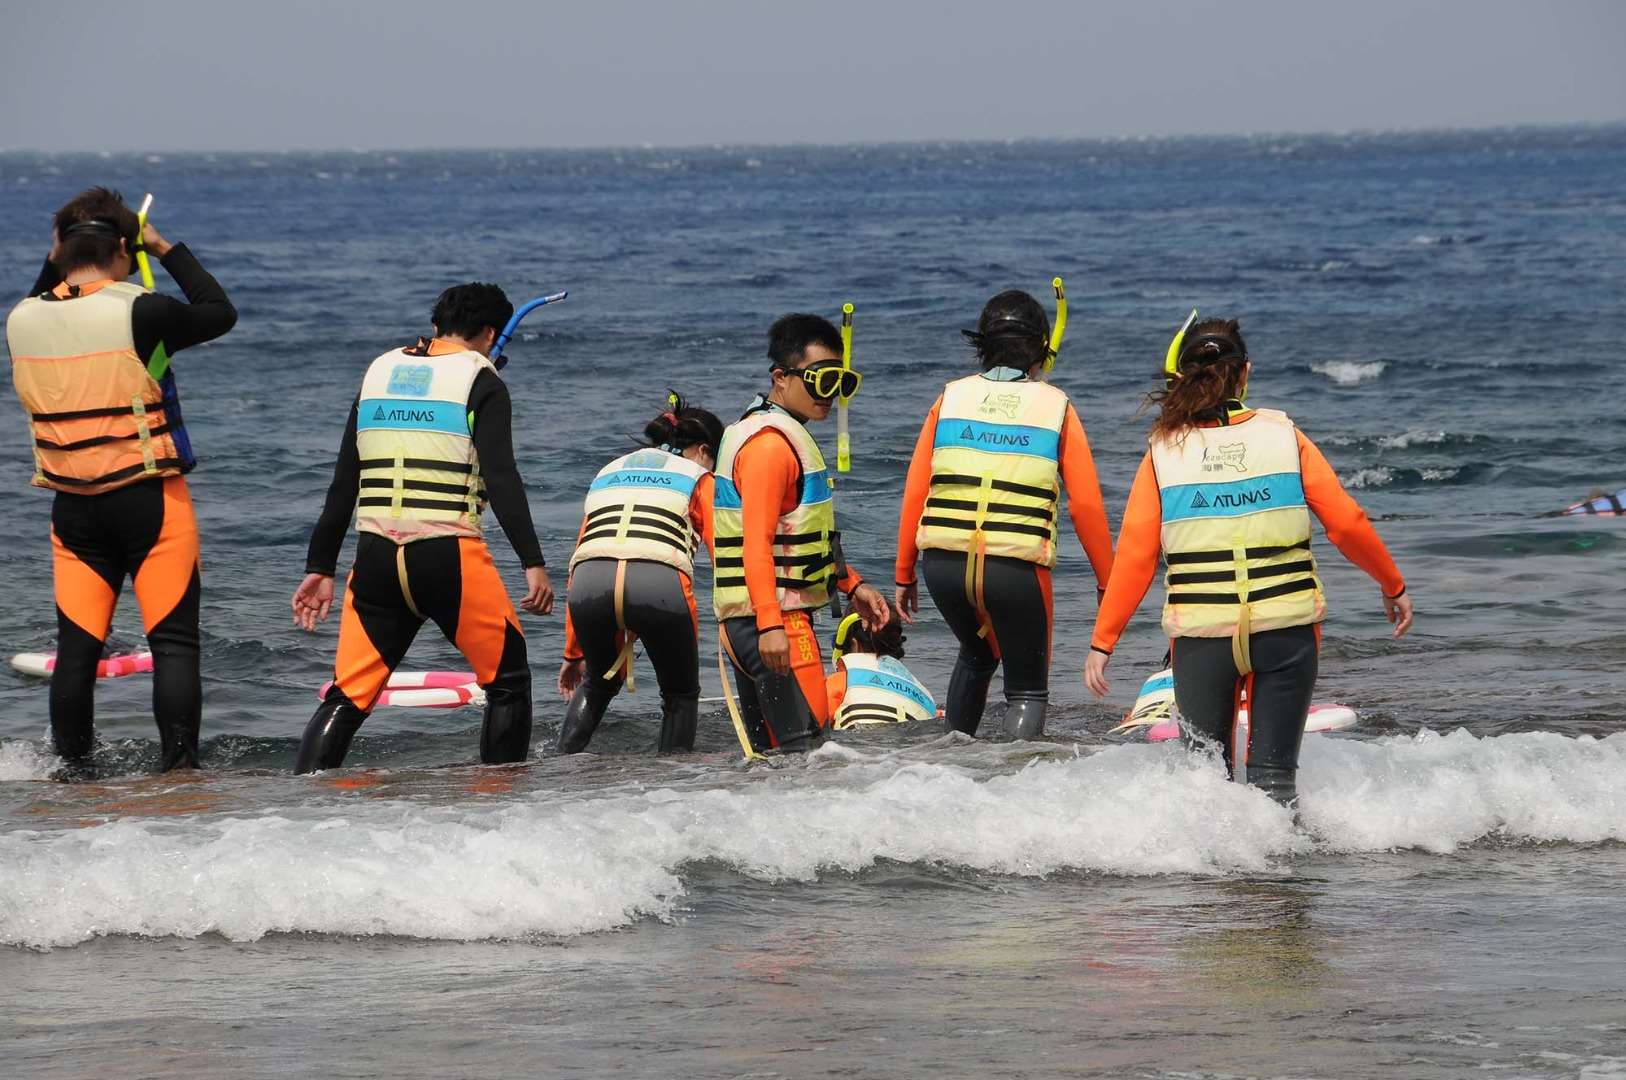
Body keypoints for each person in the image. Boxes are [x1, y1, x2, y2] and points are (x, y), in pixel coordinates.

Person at [1084, 315, 1414, 804]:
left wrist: (1103, 641)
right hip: (1286, 630)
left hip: (1202, 636)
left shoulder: (1163, 452)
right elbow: (1347, 523)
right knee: (1275, 780)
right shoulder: (1285, 436)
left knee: (1206, 784)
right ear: (1245, 373)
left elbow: (1136, 554)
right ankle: (1289, 856)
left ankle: (1220, 857)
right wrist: (1392, 585)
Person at [5, 187, 237, 773]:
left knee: (77, 651)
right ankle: (179, 774)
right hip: (149, 500)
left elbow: (50, 290)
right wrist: (161, 246)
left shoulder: (21, 318)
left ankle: (72, 775)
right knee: (174, 643)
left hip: (73, 508)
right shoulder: (141, 310)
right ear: (123, 250)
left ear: (60, 248)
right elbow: (218, 311)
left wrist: (62, 251)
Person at [291, 283, 553, 773]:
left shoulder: (378, 371)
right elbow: (501, 477)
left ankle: (301, 798)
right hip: (447, 556)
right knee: (508, 681)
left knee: (350, 694)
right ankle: (502, 802)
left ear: (436, 326)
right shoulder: (483, 380)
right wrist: (533, 562)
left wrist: (320, 567)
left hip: (375, 560)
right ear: (490, 333)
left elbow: (344, 481)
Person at [893, 290, 1114, 739]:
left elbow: (916, 489)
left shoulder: (949, 398)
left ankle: (946, 766)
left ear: (982, 346)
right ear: (1042, 351)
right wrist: (1108, 583)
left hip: (943, 567)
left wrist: (903, 574)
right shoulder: (1057, 406)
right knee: (1027, 690)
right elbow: (1086, 506)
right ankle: (1015, 779)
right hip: (1016, 571)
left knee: (977, 654)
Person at [714, 313, 891, 755]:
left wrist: (852, 584)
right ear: (781, 377)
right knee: (813, 757)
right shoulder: (771, 447)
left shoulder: (773, 434)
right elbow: (755, 543)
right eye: (820, 381)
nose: (829, 395)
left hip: (751, 622)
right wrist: (772, 625)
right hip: (775, 623)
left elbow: (797, 537)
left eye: (840, 383)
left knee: (773, 760)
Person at [556, 394, 722, 753]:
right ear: (704, 450)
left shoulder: (609, 472)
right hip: (659, 585)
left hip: (589, 584)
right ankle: (674, 775)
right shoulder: (699, 477)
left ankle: (559, 766)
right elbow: (722, 550)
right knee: (679, 694)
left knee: (598, 682)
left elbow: (581, 555)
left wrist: (572, 653)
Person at [825, 612, 937, 729]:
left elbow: (819, 718)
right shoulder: (924, 694)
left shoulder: (842, 679)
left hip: (858, 737)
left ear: (854, 645)